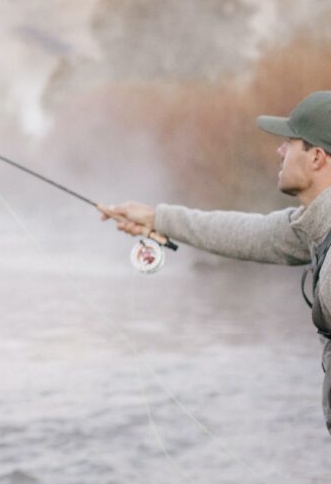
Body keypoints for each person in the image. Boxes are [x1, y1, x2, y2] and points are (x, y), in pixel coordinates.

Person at [101, 90, 331, 434]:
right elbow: (243, 233)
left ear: (315, 157)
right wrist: (155, 219)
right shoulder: (313, 224)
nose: (279, 151)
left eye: (289, 143)